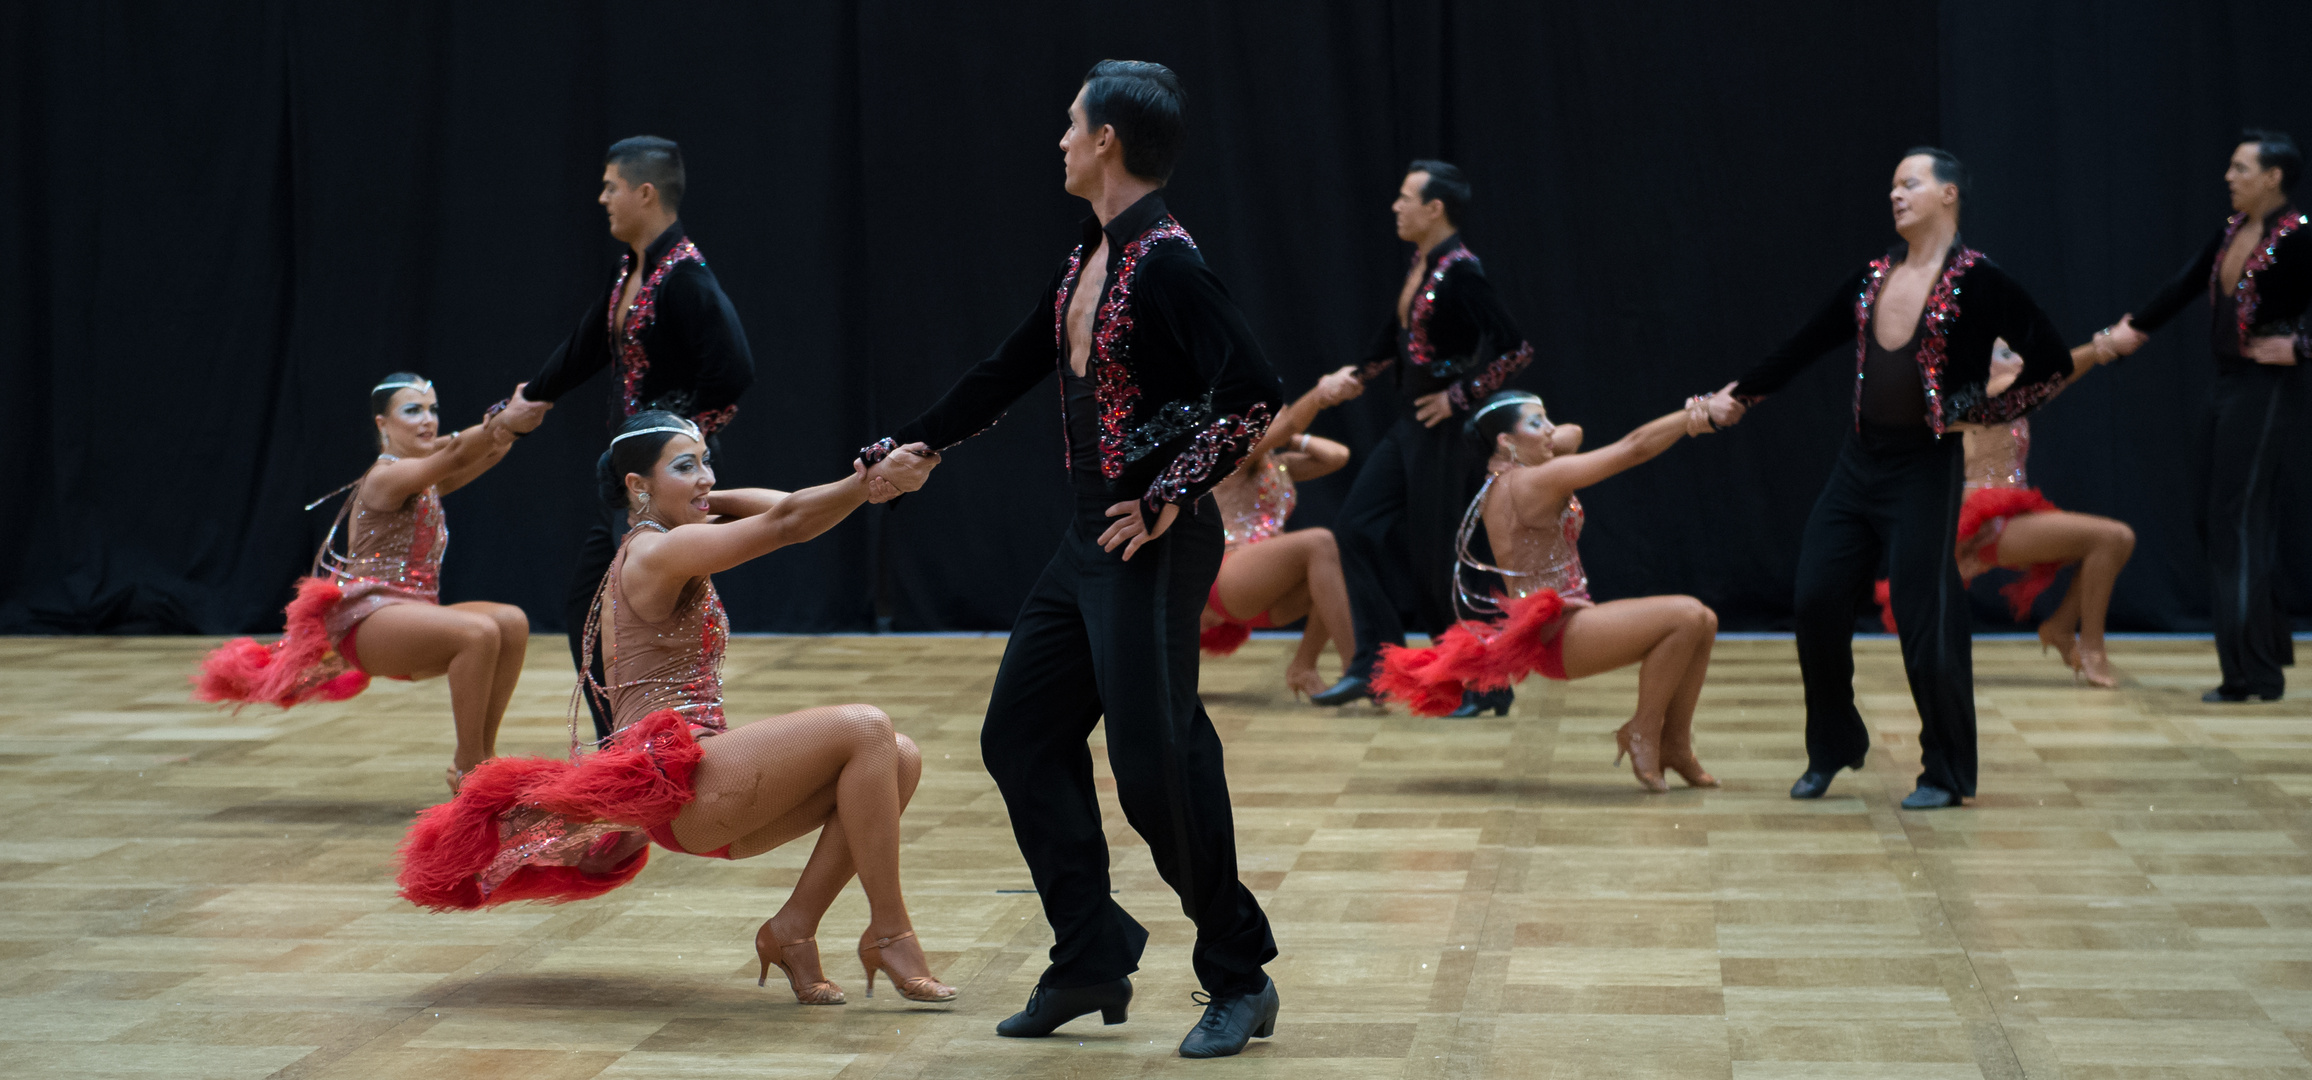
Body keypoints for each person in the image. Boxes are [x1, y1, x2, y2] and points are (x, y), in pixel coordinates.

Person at [856, 61, 1285, 1058]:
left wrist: (1172, 494)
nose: (1056, 138)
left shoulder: (1170, 262)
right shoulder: (1086, 256)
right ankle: (1089, 950)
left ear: (1105, 142)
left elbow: (1254, 390)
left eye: (1068, 123)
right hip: (1084, 540)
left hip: (1149, 545)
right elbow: (1011, 364)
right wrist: (918, 442)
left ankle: (1239, 973)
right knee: (1018, 737)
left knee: (1156, 771)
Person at [396, 412, 955, 1007]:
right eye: (686, 466)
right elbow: (790, 521)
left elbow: (787, 505)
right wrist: (865, 482)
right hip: (680, 787)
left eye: (707, 462)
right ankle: (889, 931)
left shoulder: (672, 536)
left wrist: (712, 489)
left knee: (899, 757)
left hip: (711, 780)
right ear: (638, 487)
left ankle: (793, 928)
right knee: (866, 726)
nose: (706, 477)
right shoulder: (655, 553)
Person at [1707, 148, 2111, 810]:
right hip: (1857, 463)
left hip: (1923, 469)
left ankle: (1946, 770)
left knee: (1927, 621)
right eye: (1892, 185)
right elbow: (1804, 344)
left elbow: (2051, 362)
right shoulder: (1871, 278)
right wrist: (1740, 396)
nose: (1895, 194)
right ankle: (1834, 742)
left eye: (1910, 183)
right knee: (1814, 599)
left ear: (1948, 195)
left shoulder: (1980, 280)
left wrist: (1979, 414)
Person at [196, 375, 549, 792]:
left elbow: (484, 453)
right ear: (382, 424)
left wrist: (526, 410)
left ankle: (481, 757)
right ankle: (469, 766)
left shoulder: (423, 478)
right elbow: (456, 452)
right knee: (478, 633)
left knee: (511, 621)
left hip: (409, 614)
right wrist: (502, 420)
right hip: (368, 621)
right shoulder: (384, 477)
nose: (427, 420)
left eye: (432, 409)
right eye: (412, 410)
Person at [517, 136, 756, 739]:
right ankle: (623, 748)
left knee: (623, 614)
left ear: (645, 192)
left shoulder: (686, 277)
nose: (602, 198)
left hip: (660, 474)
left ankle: (649, 751)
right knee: (593, 606)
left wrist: (678, 435)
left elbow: (733, 368)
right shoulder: (634, 268)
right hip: (633, 478)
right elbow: (586, 345)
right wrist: (528, 398)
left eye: (610, 186)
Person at [1377, 392, 1723, 790]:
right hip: (1558, 635)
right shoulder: (1535, 481)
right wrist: (1693, 413)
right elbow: (1633, 448)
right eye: (1536, 423)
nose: (1551, 430)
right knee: (1688, 616)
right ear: (1506, 441)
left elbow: (1571, 434)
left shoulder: (1507, 476)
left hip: (1561, 626)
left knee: (1706, 622)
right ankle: (1642, 731)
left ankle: (1676, 745)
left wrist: (1534, 432)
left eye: (1547, 420)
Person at [1314, 160, 1536, 715]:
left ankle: (1486, 684)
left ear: (1434, 209)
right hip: (1409, 427)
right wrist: (1358, 374)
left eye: (1405, 197)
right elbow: (1396, 336)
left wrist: (1457, 398)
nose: (1395, 206)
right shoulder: (1423, 263)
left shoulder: (1462, 272)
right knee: (1356, 527)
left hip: (1444, 432)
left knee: (1442, 561)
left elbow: (1515, 348)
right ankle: (1375, 665)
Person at [2099, 130, 2307, 702]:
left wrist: (2302, 346)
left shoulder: (2300, 238)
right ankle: (2260, 660)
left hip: (2265, 390)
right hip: (2227, 384)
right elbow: (2184, 284)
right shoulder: (2234, 231)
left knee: (2235, 523)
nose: (2228, 176)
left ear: (2273, 178)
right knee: (2215, 520)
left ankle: (2247, 675)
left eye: (2241, 168)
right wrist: (2132, 328)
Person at [1938, 343, 2136, 687]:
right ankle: (2091, 650)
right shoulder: (1990, 393)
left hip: (2009, 511)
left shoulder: (2008, 396)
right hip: (1985, 519)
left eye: (2015, 352)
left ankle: (2061, 626)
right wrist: (2102, 344)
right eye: (2003, 354)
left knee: (2109, 542)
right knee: (2112, 537)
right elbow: (2054, 373)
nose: (2017, 359)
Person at [1200, 365, 1363, 698]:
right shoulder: (1230, 456)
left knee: (1338, 555)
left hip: (1267, 594)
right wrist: (1321, 392)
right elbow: (1290, 422)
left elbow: (1338, 456)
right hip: (1230, 577)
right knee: (1319, 541)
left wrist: (1292, 437)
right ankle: (1357, 669)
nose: (1280, 416)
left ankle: (1303, 665)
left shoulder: (1278, 465)